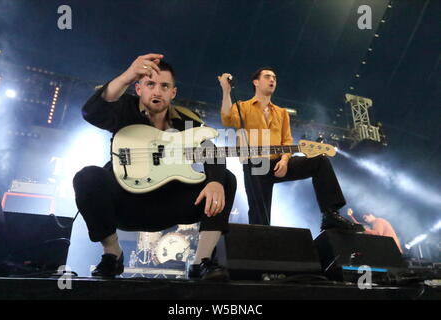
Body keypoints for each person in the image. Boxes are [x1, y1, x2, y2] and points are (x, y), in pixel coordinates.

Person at [73, 53, 237, 280]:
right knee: (87, 177)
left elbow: (212, 150)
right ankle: (112, 255)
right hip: (124, 203)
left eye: (164, 86)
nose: (157, 91)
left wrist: (215, 181)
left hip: (169, 205)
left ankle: (201, 262)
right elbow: (90, 112)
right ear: (139, 88)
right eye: (150, 84)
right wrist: (128, 76)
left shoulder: (187, 120)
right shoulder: (123, 109)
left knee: (225, 178)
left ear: (173, 93)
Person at [218, 67, 363, 232]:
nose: (272, 80)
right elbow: (227, 119)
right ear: (256, 82)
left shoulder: (281, 112)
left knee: (320, 162)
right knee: (260, 215)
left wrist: (285, 160)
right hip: (255, 164)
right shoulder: (243, 107)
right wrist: (226, 90)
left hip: (279, 161)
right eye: (267, 77)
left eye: (274, 77)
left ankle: (330, 214)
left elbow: (287, 140)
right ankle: (260, 241)